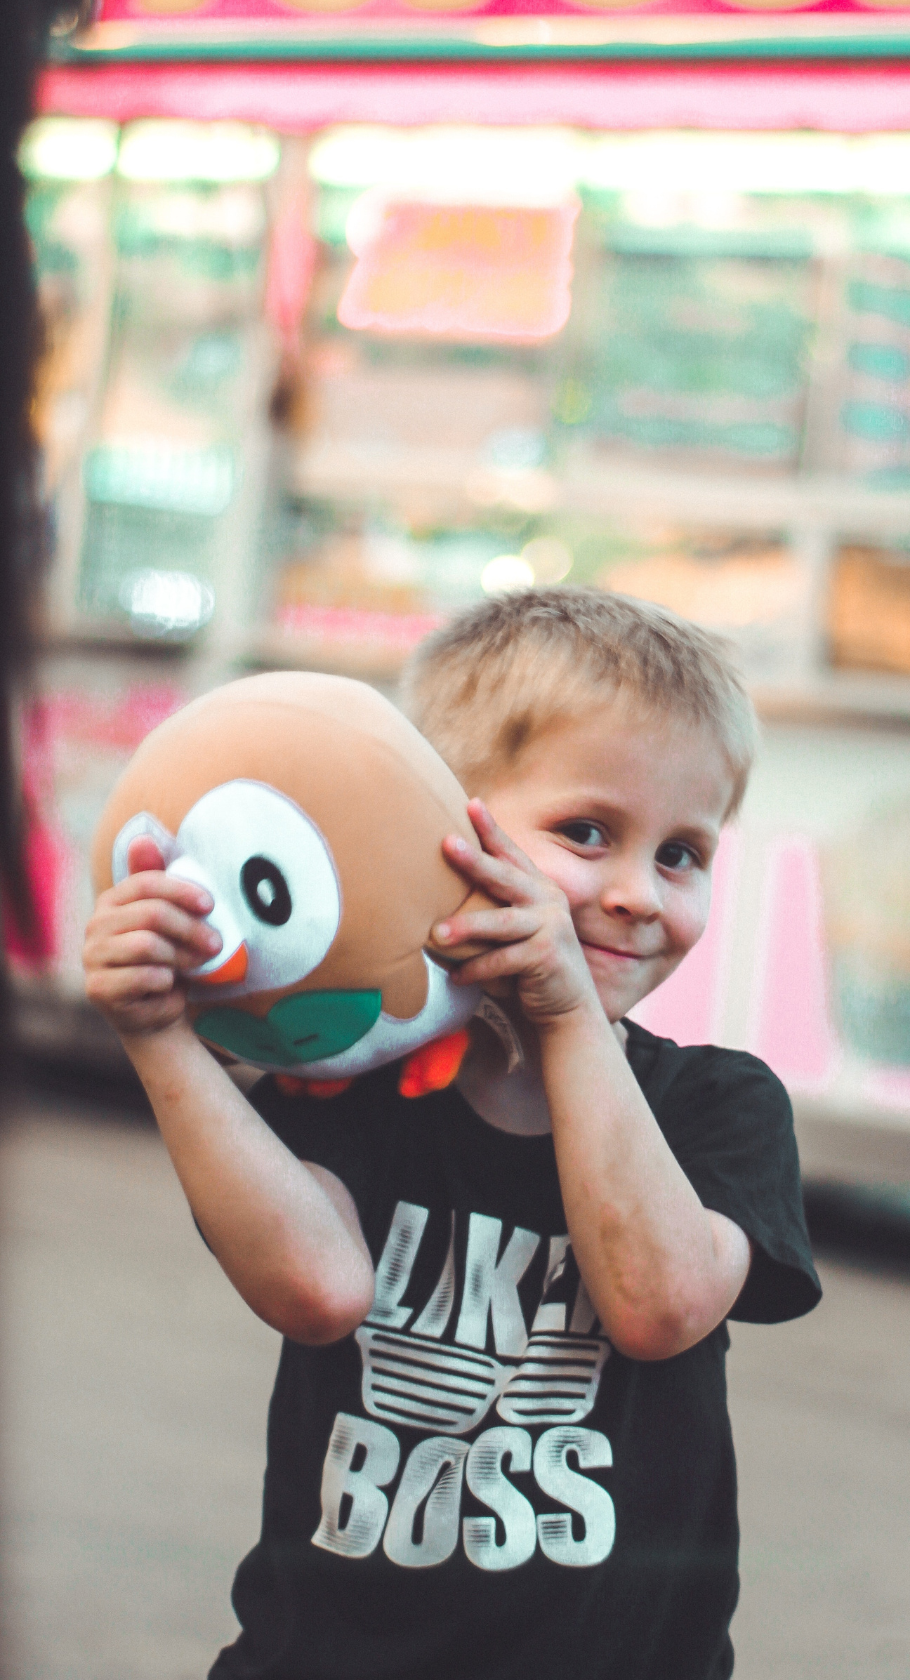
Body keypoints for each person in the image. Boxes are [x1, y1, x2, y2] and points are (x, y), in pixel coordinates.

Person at [82, 586, 821, 1680]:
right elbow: (318, 1290)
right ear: (432, 834)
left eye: (682, 855)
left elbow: (660, 1304)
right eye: (587, 833)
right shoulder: (355, 1093)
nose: (636, 894)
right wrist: (158, 1039)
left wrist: (567, 1013)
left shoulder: (723, 1105)